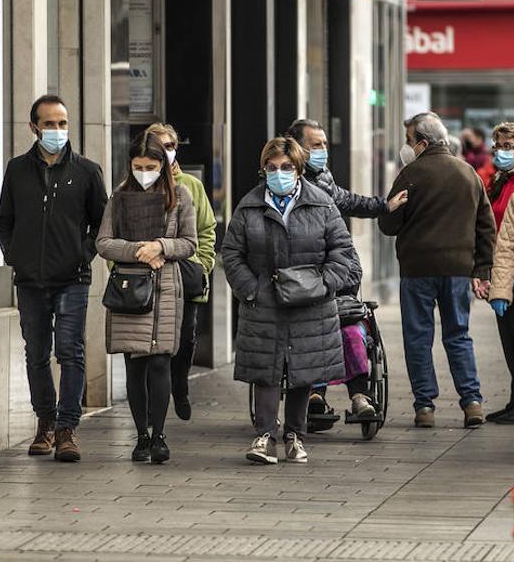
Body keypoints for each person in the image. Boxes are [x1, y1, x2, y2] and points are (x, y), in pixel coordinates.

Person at [222, 137, 360, 466]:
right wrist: (250, 289)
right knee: (266, 370)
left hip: (310, 302)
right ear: (263, 169)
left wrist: (325, 284)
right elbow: (231, 253)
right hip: (263, 302)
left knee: (303, 369)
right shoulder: (249, 206)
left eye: (286, 167)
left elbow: (342, 252)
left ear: (298, 170)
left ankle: (295, 436)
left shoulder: (322, 204)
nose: (279, 173)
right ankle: (265, 435)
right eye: (271, 168)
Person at [0, 95, 107, 462]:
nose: (57, 130)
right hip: (30, 279)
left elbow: (102, 222)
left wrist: (83, 252)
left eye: (62, 123)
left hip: (73, 277)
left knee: (70, 351)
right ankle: (44, 422)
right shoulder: (16, 170)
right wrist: (15, 255)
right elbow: (4, 221)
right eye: (49, 124)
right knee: (36, 354)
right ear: (34, 128)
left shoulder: (87, 171)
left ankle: (67, 429)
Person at [379, 112, 495, 429]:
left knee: (418, 338)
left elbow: (389, 224)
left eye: (409, 141)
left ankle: (425, 406)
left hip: (417, 270)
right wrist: (482, 268)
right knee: (458, 336)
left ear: (424, 142)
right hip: (458, 270)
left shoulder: (410, 175)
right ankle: (472, 402)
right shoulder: (468, 173)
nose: (407, 147)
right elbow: (486, 227)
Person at [286, 119, 407, 419]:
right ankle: (315, 394)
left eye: (325, 144)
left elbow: (347, 200)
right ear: (296, 147)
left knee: (352, 332)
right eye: (316, 145)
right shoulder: (288, 187)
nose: (324, 150)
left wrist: (384, 206)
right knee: (315, 335)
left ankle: (360, 397)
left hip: (339, 280)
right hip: (307, 284)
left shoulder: (322, 177)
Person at [96, 132, 197, 464]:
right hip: (130, 287)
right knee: (134, 364)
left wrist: (161, 247)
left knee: (160, 361)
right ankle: (140, 436)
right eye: (138, 166)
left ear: (162, 167)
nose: (144, 172)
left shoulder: (180, 195)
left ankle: (159, 436)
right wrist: (139, 251)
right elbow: (104, 242)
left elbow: (189, 243)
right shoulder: (119, 197)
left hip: (166, 287)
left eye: (150, 166)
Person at [145, 123, 216, 420]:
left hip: (184, 279)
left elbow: (206, 230)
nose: (167, 152)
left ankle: (180, 385)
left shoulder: (191, 186)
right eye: (160, 147)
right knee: (149, 345)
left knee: (185, 339)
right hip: (146, 281)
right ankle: (152, 403)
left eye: (171, 146)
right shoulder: (137, 186)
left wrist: (201, 266)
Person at [485, 123, 514, 424]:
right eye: (498, 146)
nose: (501, 152)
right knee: (509, 340)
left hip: (512, 270)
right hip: (504, 269)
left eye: (508, 146)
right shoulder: (501, 181)